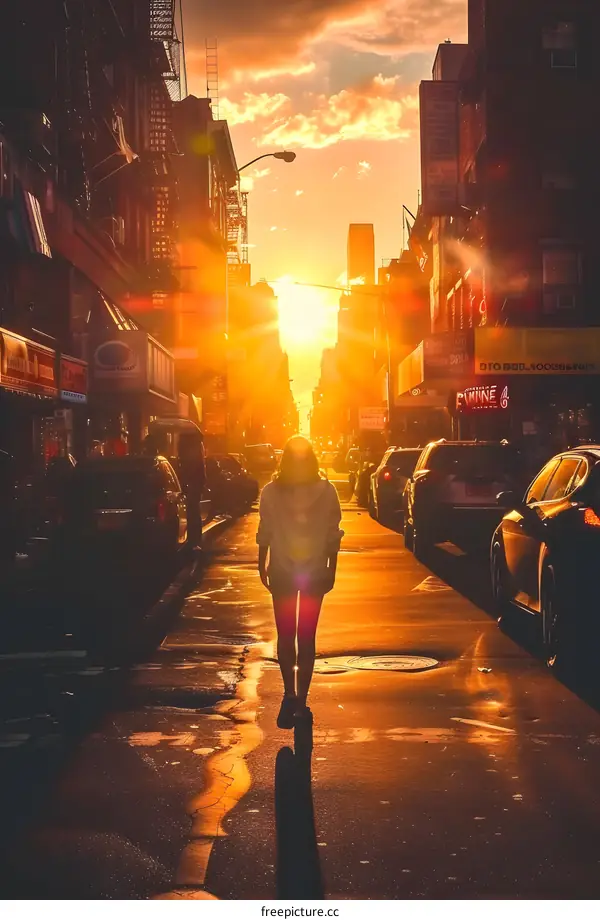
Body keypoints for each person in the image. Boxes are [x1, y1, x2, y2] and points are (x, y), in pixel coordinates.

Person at [257, 435, 343, 728]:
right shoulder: (327, 491)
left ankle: (289, 693)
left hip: (281, 570)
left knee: (286, 635)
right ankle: (301, 701)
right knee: (306, 636)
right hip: (315, 572)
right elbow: (334, 533)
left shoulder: (270, 491)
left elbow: (265, 530)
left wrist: (262, 561)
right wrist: (332, 566)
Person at [178, 431, 206, 549]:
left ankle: (193, 539)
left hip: (192, 483)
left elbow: (192, 467)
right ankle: (194, 539)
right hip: (194, 483)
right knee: (193, 511)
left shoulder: (191, 449)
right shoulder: (197, 447)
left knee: (192, 511)